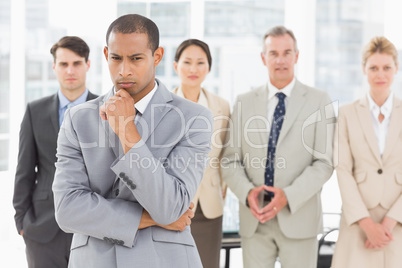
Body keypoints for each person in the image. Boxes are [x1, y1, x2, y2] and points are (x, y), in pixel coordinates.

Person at [52, 14, 213, 268]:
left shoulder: (194, 118)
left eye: (136, 58)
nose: (124, 70)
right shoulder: (77, 119)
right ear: (106, 54)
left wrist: (128, 132)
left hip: (164, 260)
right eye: (116, 58)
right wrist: (149, 218)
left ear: (157, 56)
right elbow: (67, 209)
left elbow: (170, 207)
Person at [221, 25, 335, 267]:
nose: (280, 60)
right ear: (264, 58)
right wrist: (247, 192)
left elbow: (324, 163)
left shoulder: (319, 101)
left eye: (287, 52)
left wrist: (288, 196)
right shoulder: (243, 102)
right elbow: (230, 160)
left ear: (297, 56)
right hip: (255, 221)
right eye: (273, 53)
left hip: (299, 217)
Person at [12, 36, 98, 267]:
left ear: (88, 65)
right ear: (54, 67)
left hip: (92, 228)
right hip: (42, 228)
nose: (70, 70)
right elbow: (24, 170)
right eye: (63, 64)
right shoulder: (35, 111)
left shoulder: (105, 110)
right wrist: (22, 221)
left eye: (77, 63)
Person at [331, 36, 402, 268]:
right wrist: (368, 225)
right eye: (373, 68)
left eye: (386, 68)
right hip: (358, 223)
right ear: (364, 69)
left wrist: (389, 223)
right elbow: (342, 170)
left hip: (398, 224)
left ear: (396, 69)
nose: (380, 75)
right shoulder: (347, 114)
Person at [172, 39, 230, 268]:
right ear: (176, 66)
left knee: (208, 263)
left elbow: (227, 153)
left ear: (208, 67)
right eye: (187, 62)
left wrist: (222, 187)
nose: (193, 69)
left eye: (200, 63)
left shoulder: (222, 106)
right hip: (173, 204)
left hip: (209, 204)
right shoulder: (164, 104)